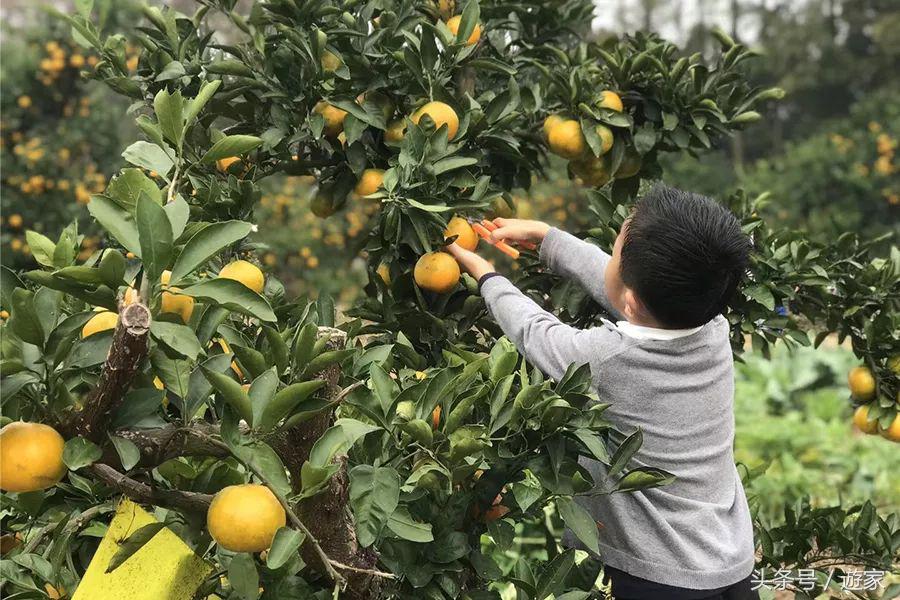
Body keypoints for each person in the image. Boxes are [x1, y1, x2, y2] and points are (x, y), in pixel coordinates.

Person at [447, 185, 759, 600]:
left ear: (631, 301)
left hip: (660, 573)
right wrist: (547, 238)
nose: (607, 261)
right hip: (730, 557)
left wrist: (487, 277)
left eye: (613, 255)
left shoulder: (608, 359)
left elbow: (535, 333)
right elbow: (624, 288)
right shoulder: (712, 329)